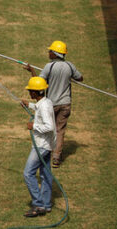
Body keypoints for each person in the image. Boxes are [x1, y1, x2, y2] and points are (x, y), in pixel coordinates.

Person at [23, 40, 83, 168]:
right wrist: (69, 76)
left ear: (56, 54)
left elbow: (39, 83)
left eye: (50, 51)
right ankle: (56, 157)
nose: (48, 52)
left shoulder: (49, 67)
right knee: (59, 130)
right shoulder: (70, 66)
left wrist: (32, 70)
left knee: (48, 127)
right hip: (66, 104)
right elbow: (80, 78)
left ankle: (46, 152)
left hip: (51, 104)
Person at [20, 76, 56, 217]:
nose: (29, 93)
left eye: (30, 91)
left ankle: (39, 205)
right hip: (47, 145)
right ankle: (46, 204)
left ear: (35, 92)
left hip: (41, 146)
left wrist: (33, 126)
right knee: (45, 174)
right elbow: (39, 109)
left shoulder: (45, 106)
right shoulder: (45, 102)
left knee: (28, 173)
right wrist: (29, 105)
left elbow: (49, 126)